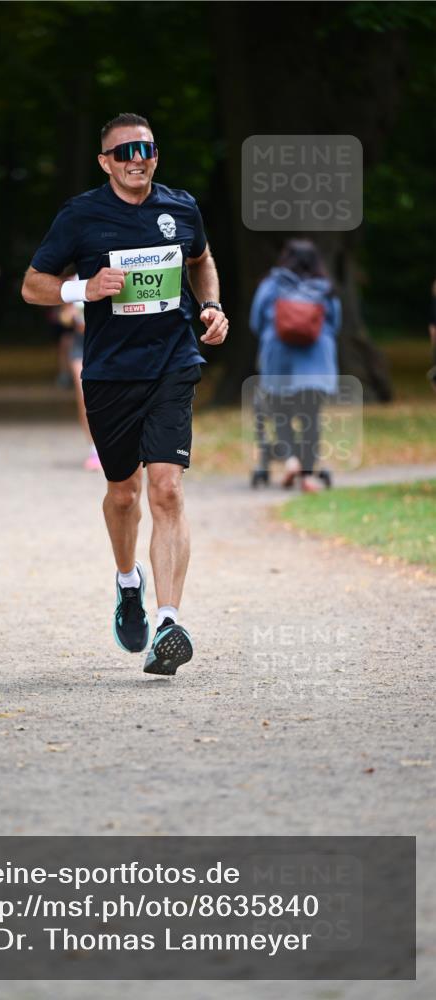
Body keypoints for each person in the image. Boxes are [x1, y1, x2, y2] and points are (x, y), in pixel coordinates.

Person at [22, 112, 228, 675]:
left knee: (166, 490)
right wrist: (80, 288)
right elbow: (31, 284)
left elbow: (201, 261)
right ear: (106, 162)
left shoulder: (181, 208)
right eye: (125, 152)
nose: (137, 159)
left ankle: (168, 622)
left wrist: (210, 305)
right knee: (123, 494)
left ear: (156, 155)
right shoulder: (81, 215)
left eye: (146, 149)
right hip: (111, 372)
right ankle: (127, 582)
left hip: (173, 363)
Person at [249, 239, 342, 493]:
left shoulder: (271, 285)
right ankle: (308, 476)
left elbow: (256, 321)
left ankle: (290, 461)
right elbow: (334, 324)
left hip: (279, 359)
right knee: (311, 418)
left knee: (280, 415)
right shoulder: (325, 289)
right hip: (316, 364)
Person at [58, 300, 102, 470]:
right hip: (81, 345)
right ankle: (94, 450)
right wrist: (70, 315)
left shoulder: (116, 274)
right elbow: (64, 318)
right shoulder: (73, 282)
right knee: (85, 397)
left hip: (105, 343)